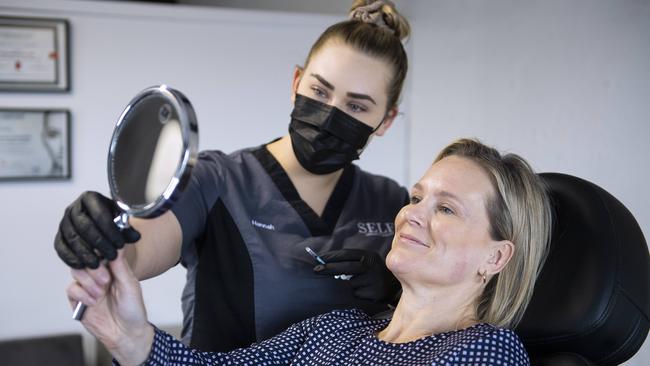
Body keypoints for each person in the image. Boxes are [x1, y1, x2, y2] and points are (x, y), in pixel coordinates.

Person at [54, 0, 412, 353]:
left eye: (356, 106)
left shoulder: (392, 203)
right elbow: (138, 250)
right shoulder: (216, 179)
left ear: (387, 120)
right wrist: (103, 238)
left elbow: (439, 313)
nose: (330, 114)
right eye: (319, 90)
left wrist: (395, 289)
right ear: (296, 82)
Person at [66, 138, 553, 366]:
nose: (414, 215)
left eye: (446, 208)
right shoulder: (336, 328)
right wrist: (130, 336)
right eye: (417, 197)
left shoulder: (486, 350)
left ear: (497, 257)